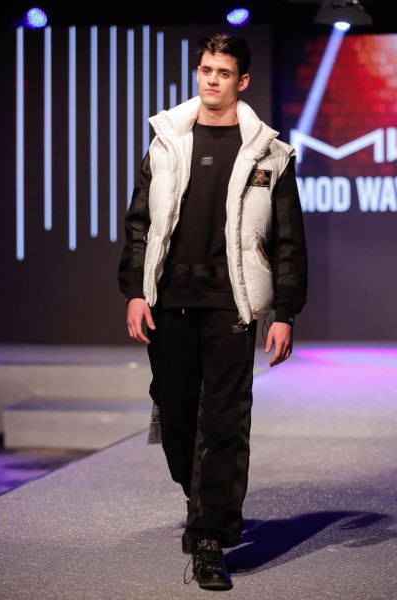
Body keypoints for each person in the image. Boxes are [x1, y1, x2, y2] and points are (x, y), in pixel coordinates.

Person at [118, 33, 308, 591]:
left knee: (224, 421)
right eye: (206, 69)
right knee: (176, 413)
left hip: (232, 304)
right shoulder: (167, 140)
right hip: (169, 300)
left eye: (223, 72)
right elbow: (139, 224)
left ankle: (209, 538)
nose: (212, 80)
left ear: (241, 81)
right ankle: (198, 496)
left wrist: (284, 312)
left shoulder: (269, 152)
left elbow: (289, 240)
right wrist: (135, 291)